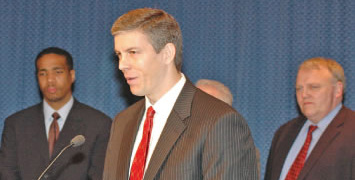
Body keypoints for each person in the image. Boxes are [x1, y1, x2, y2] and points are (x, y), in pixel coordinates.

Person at [103, 8, 258, 180]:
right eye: (119, 55)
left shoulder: (219, 121)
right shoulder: (123, 122)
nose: (122, 65)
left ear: (167, 53)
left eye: (133, 52)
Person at [0, 47, 112, 180]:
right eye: (43, 73)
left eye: (58, 72)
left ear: (71, 75)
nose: (50, 80)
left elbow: (99, 175)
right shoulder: (16, 124)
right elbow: (7, 173)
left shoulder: (99, 124)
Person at [265, 57, 355, 180]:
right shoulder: (284, 133)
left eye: (314, 87)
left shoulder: (351, 130)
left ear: (338, 90)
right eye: (299, 88)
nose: (304, 94)